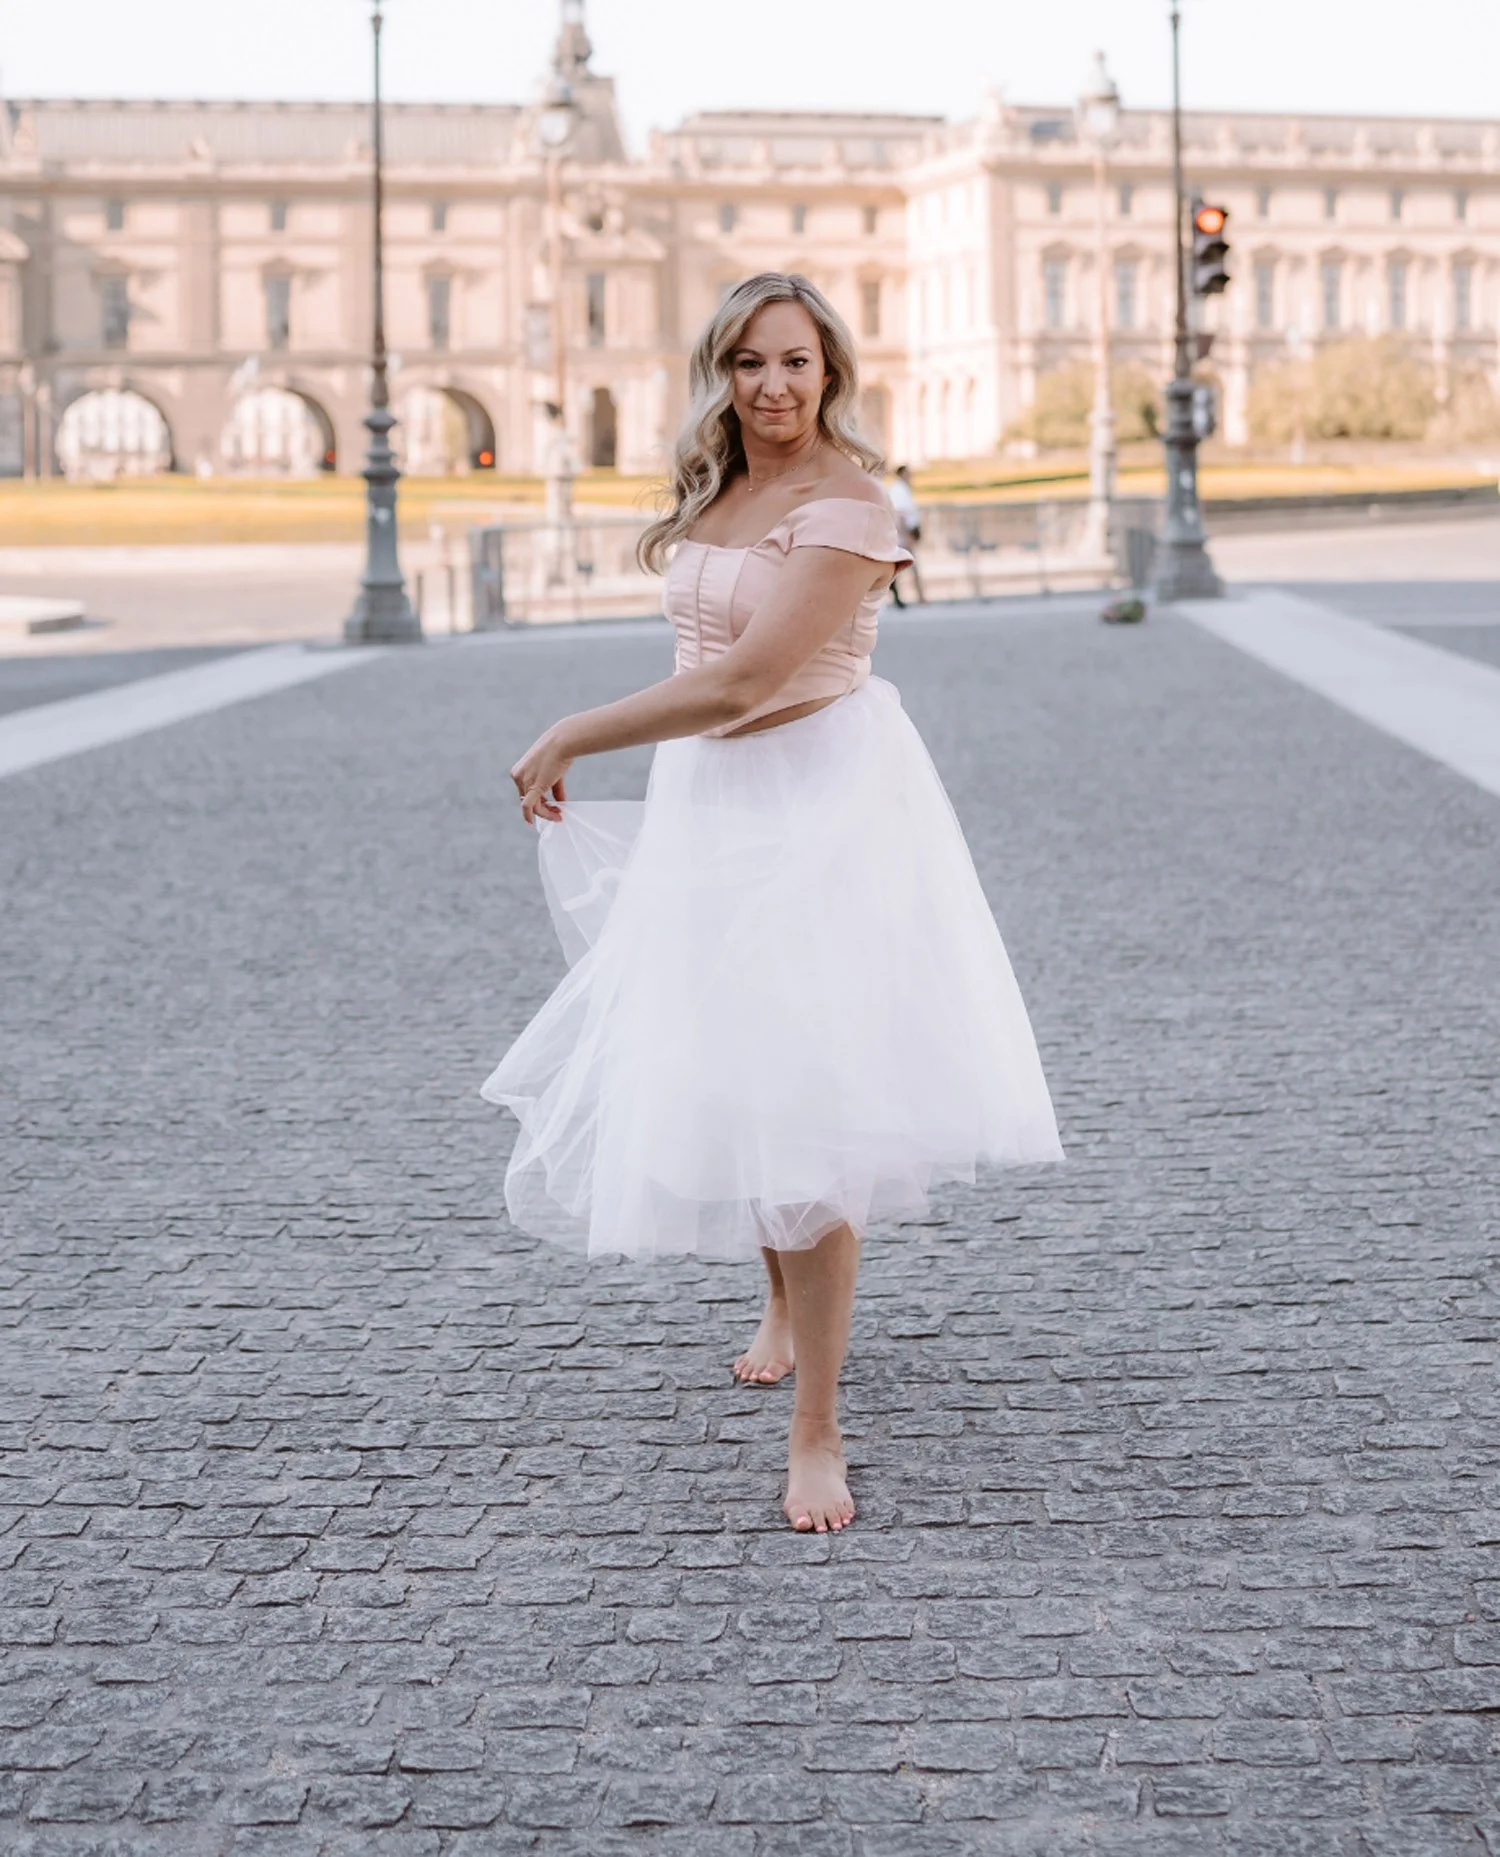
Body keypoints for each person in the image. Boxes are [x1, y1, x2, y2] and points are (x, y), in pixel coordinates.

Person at [483, 272, 1062, 1535]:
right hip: (715, 803)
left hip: (820, 805)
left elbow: (747, 681)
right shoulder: (726, 490)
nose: (775, 386)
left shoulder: (850, 505)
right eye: (750, 363)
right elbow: (706, 668)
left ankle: (820, 1428)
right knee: (740, 1067)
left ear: (831, 373)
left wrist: (579, 728)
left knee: (812, 1093)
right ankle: (780, 1301)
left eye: (797, 363)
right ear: (721, 374)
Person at [884, 463, 927, 607]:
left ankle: (918, 596)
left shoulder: (903, 489)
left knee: (906, 565)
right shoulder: (899, 490)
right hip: (903, 533)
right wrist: (905, 534)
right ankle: (913, 596)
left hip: (906, 532)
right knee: (905, 565)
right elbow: (900, 513)